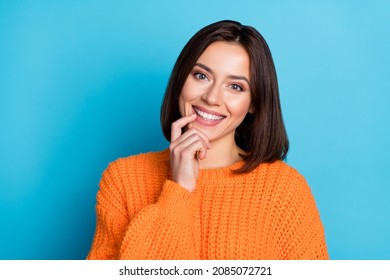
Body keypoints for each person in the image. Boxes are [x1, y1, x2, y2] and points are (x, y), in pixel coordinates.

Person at [87, 20, 329, 260]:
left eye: (235, 86)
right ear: (181, 79)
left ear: (254, 102)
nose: (212, 98)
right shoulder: (123, 179)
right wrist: (180, 190)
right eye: (201, 76)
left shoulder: (284, 190)